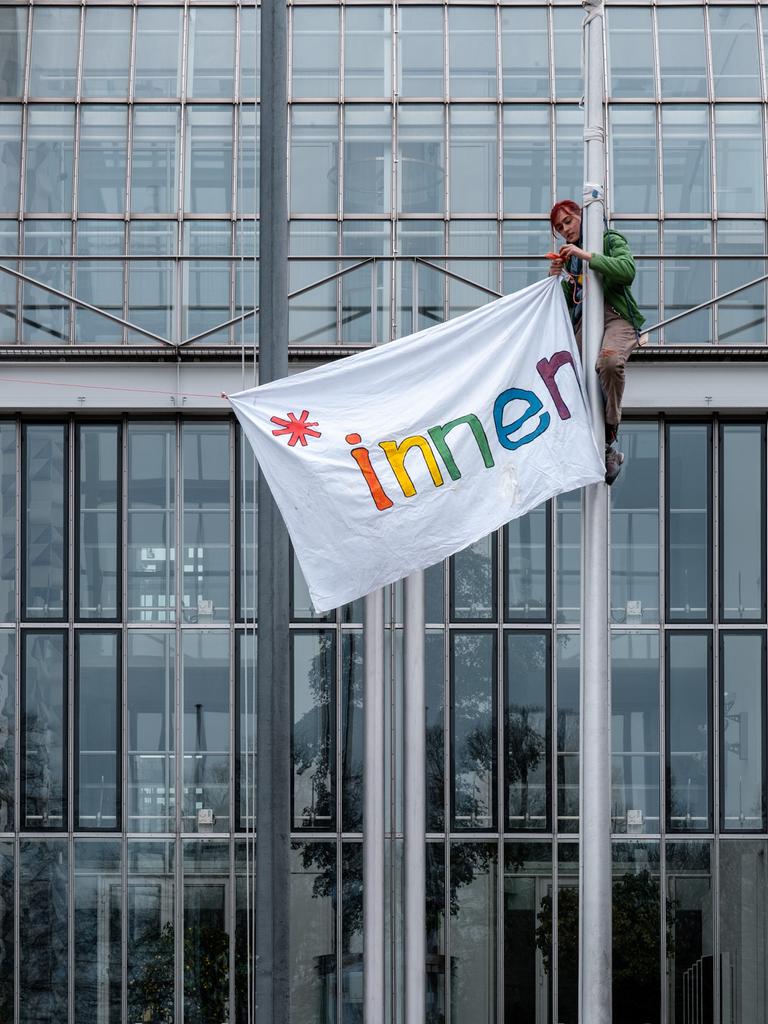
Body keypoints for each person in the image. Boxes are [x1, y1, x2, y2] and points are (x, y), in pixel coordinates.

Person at [547, 199, 645, 485]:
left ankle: (610, 428)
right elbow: (564, 308)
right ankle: (599, 447)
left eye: (568, 221)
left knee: (610, 361)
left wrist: (588, 255)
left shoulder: (608, 240)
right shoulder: (571, 262)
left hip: (614, 318)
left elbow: (627, 271)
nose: (565, 230)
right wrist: (555, 279)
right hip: (584, 324)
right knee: (566, 379)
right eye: (559, 227)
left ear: (582, 216)